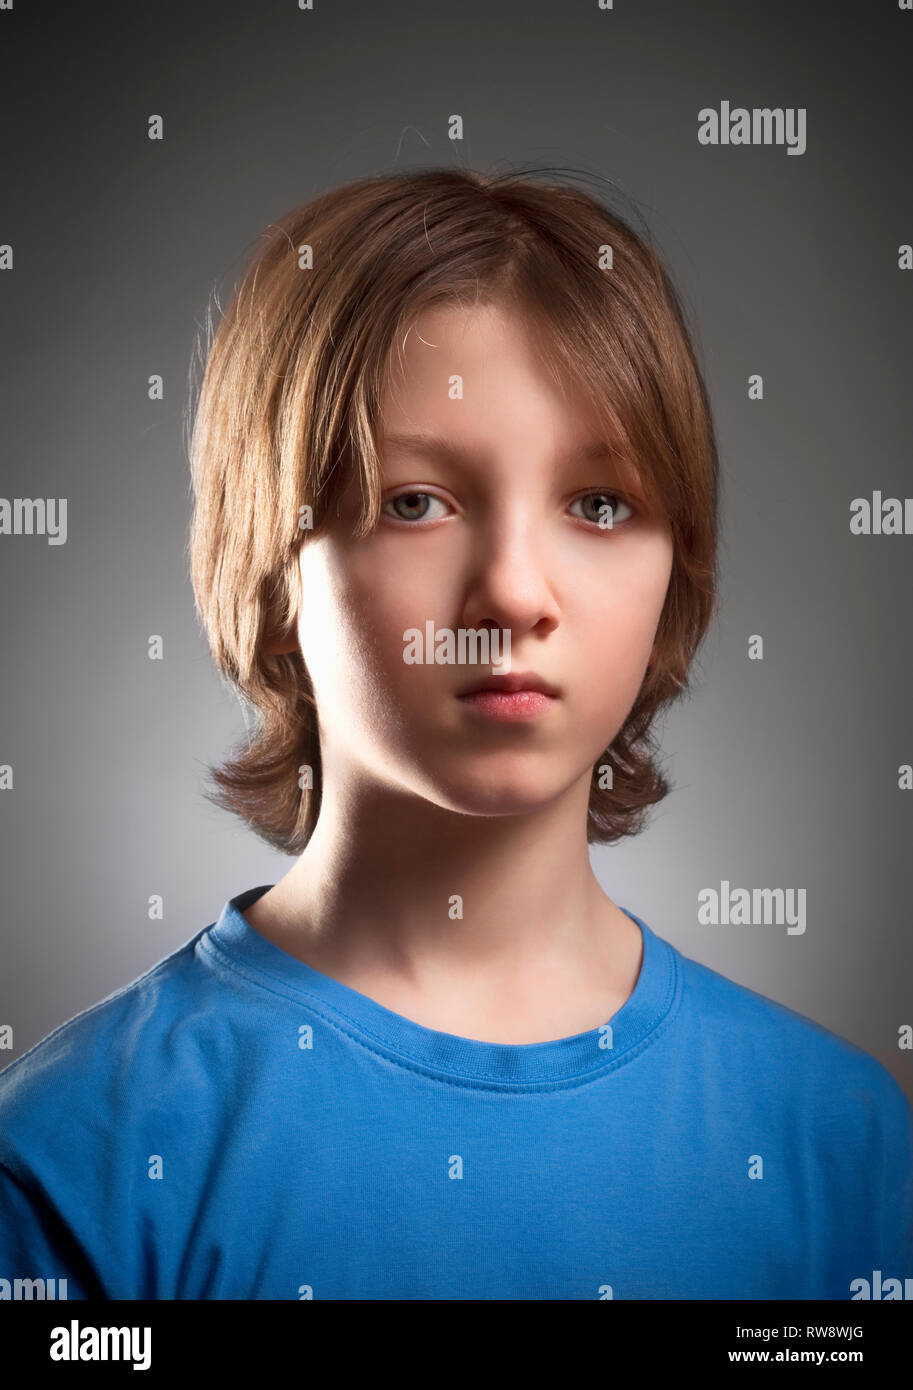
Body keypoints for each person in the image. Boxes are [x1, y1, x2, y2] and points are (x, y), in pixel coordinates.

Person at [0, 167, 909, 1301]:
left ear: (677, 572)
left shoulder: (847, 1144)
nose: (515, 593)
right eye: (416, 501)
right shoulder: (69, 1157)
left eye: (599, 504)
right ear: (276, 580)